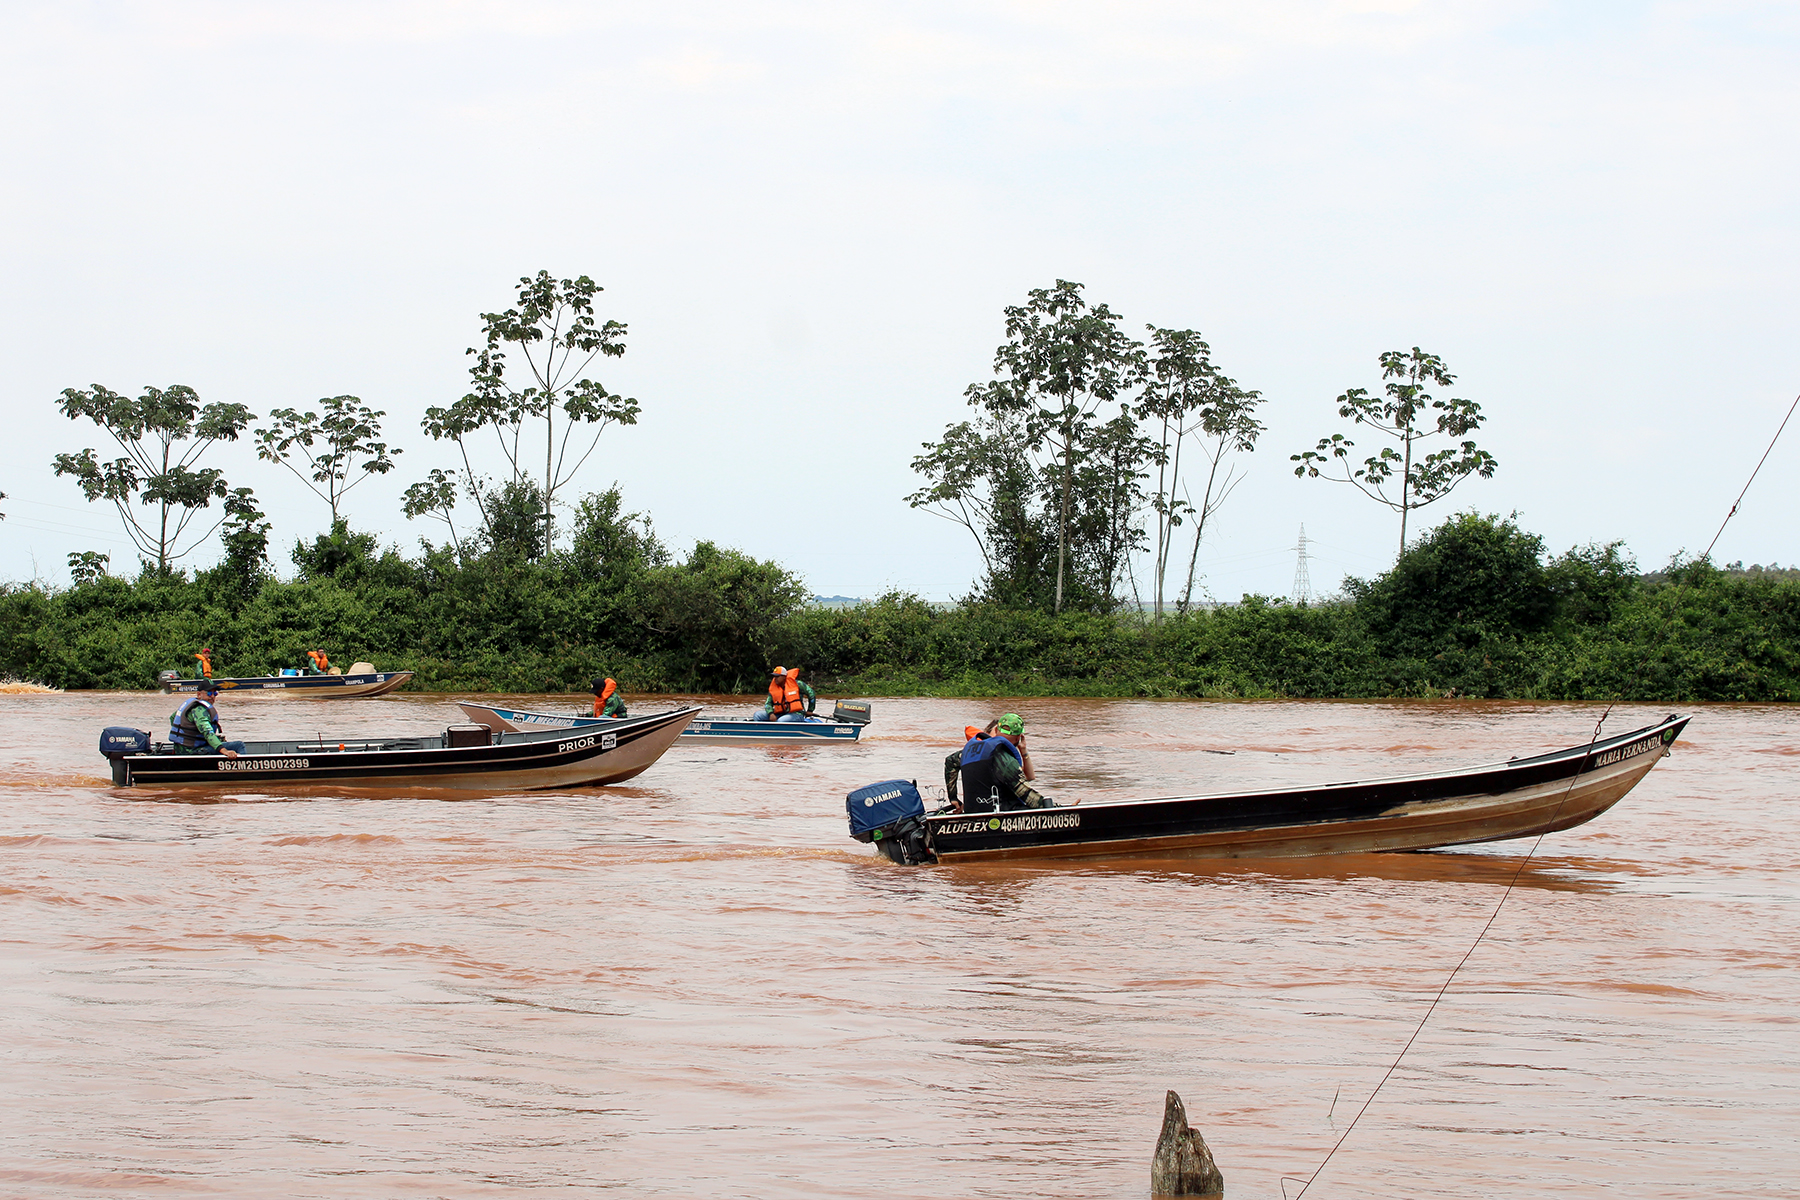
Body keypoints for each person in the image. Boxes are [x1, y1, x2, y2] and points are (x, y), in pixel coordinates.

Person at [944, 712, 1058, 811]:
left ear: (997, 730)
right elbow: (1027, 795)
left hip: (972, 812)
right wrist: (1059, 808)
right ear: (1019, 737)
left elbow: (950, 762)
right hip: (1000, 814)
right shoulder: (1004, 759)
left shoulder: (969, 751)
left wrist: (953, 798)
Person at [168, 681, 245, 758]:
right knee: (239, 745)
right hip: (192, 751)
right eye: (209, 693)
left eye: (215, 693)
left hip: (180, 748)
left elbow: (173, 718)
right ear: (199, 694)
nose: (212, 696)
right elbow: (207, 732)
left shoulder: (191, 705)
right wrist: (224, 751)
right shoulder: (199, 710)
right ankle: (245, 768)